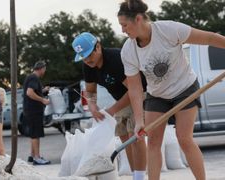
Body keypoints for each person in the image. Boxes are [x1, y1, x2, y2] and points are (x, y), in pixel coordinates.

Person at [117, 0, 225, 179]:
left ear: (137, 19)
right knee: (152, 142)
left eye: (124, 25)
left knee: (183, 138)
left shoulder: (169, 30)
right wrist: (138, 121)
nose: (122, 30)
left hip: (185, 88)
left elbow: (209, 38)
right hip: (156, 95)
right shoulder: (128, 50)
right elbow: (135, 88)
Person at [72, 32, 147, 180]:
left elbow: (135, 89)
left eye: (89, 55)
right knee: (124, 137)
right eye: (83, 57)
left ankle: (140, 177)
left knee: (135, 137)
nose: (87, 60)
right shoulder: (88, 66)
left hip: (140, 94)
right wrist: (92, 106)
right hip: (122, 98)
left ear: (98, 47)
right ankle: (135, 175)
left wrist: (112, 109)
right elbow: (91, 90)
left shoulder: (115, 59)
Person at [23, 61, 51, 165]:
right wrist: (43, 100)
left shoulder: (30, 77)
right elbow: (29, 93)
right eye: (44, 69)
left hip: (30, 110)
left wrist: (43, 90)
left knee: (33, 134)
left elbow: (33, 91)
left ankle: (32, 155)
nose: (45, 71)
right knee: (36, 134)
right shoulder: (34, 78)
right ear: (41, 68)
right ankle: (37, 157)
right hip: (34, 110)